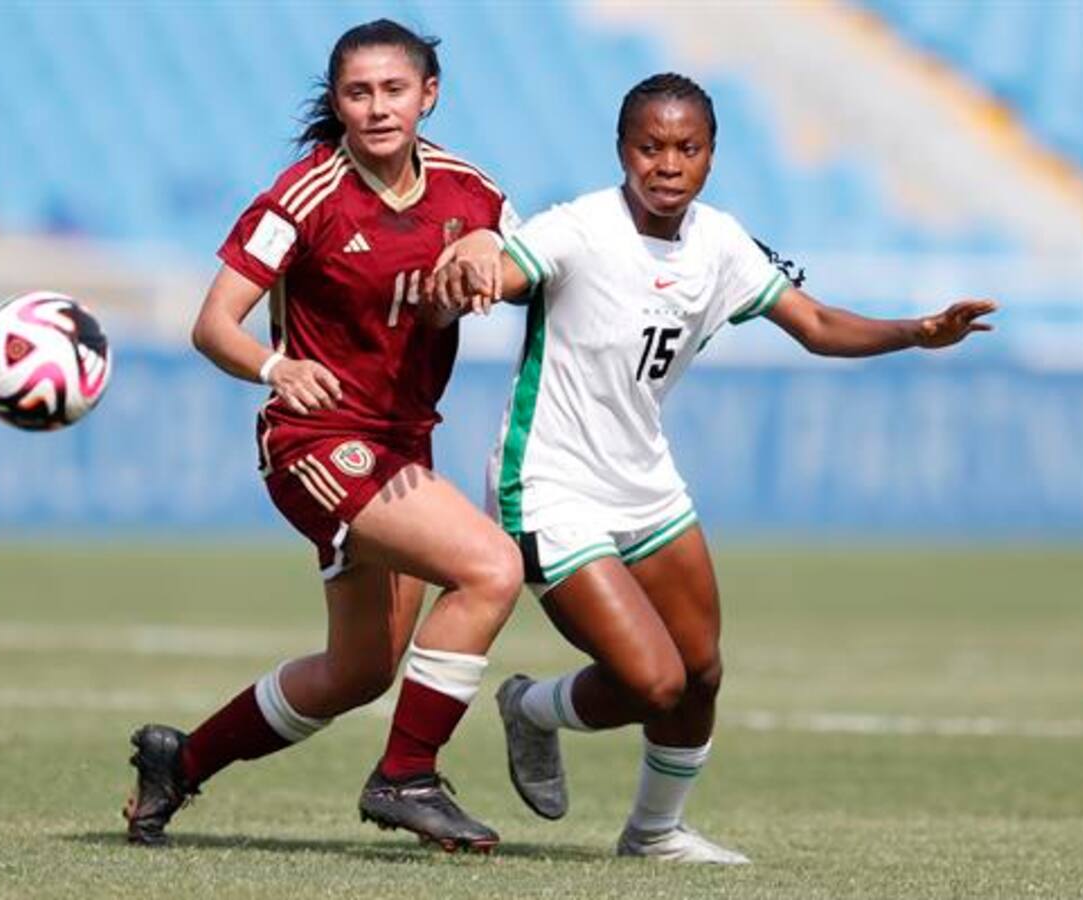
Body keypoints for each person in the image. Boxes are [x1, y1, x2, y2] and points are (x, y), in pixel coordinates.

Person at [430, 73, 997, 862]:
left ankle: (655, 834)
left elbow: (819, 323)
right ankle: (532, 708)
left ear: (711, 156)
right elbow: (510, 269)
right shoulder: (580, 228)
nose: (667, 163)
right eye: (650, 147)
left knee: (700, 672)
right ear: (621, 151)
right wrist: (482, 261)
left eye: (686, 148)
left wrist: (918, 331)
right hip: (551, 486)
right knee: (652, 683)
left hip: (646, 483)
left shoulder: (722, 241)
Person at [122, 19, 522, 853]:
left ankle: (178, 764)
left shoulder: (471, 192)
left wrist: (492, 250)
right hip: (315, 441)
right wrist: (276, 369)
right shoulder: (303, 195)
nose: (377, 108)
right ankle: (406, 775)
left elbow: (522, 270)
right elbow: (212, 324)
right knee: (491, 568)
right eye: (357, 92)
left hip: (403, 445)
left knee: (360, 671)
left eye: (394, 90)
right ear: (337, 102)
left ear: (429, 95)